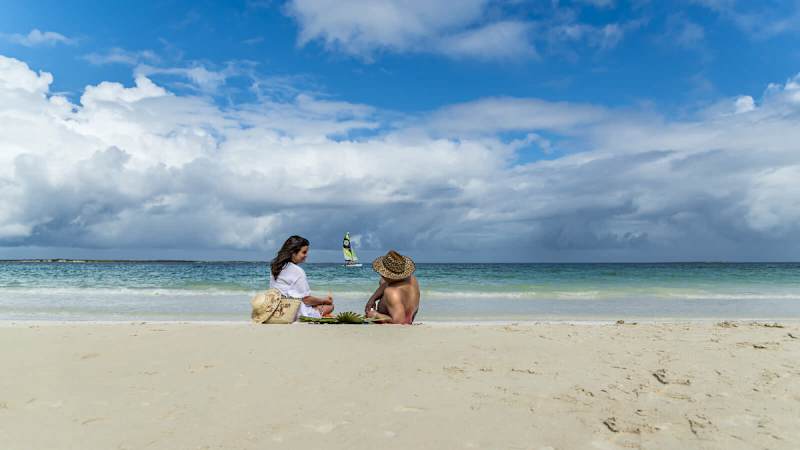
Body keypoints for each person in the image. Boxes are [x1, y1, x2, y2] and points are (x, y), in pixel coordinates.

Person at [269, 235, 334, 319]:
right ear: (293, 253)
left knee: (317, 304)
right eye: (304, 252)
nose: (306, 255)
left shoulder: (275, 267)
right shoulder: (297, 271)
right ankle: (320, 314)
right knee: (330, 306)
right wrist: (324, 300)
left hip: (277, 309)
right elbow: (306, 300)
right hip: (292, 311)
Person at [364, 250, 420, 324]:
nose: (381, 274)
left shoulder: (391, 292)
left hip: (400, 320)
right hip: (407, 312)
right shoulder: (412, 279)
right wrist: (373, 298)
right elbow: (386, 283)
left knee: (385, 285)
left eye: (383, 273)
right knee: (382, 282)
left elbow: (400, 322)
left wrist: (376, 315)